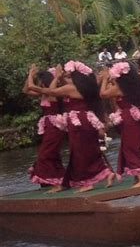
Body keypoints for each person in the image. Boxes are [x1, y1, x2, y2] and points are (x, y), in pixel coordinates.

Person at [28, 61, 114, 192]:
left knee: (79, 152)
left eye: (69, 75)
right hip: (85, 120)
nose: (66, 77)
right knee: (89, 150)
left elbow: (51, 91)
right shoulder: (82, 87)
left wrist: (56, 77)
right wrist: (61, 77)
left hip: (78, 122)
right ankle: (107, 173)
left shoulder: (71, 88)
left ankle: (87, 183)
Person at [99, 61, 140, 187]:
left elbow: (103, 94)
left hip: (130, 119)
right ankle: (139, 177)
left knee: (130, 149)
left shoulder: (121, 88)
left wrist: (104, 79)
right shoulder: (139, 84)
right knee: (133, 147)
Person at [23, 65, 66, 189]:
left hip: (55, 126)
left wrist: (31, 73)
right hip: (48, 127)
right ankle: (59, 180)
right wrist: (29, 75)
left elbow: (32, 86)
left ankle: (56, 184)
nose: (39, 83)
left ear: (44, 81)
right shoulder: (44, 93)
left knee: (45, 154)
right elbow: (26, 90)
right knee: (52, 153)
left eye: (40, 81)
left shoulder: (52, 93)